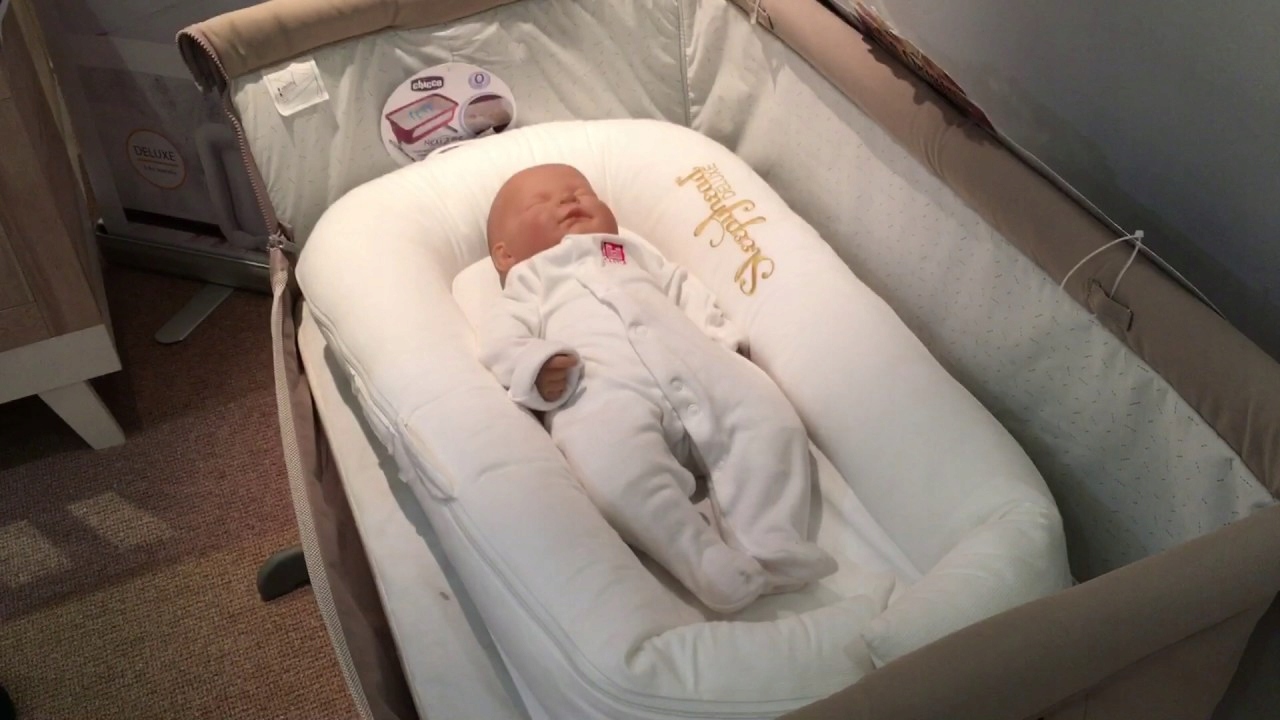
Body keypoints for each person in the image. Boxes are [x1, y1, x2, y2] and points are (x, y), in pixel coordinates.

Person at [478, 164, 836, 613]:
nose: (569, 200)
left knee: (768, 420)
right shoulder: (528, 282)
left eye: (581, 191)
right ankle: (702, 561)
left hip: (698, 365)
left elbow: (682, 288)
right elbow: (502, 343)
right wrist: (538, 367)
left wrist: (720, 340)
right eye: (541, 202)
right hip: (603, 388)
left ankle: (772, 539)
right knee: (613, 467)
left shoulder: (628, 251)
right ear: (505, 255)